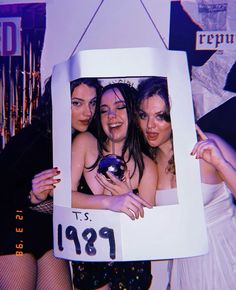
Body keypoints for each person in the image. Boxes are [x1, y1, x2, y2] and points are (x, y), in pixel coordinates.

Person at [0, 76, 102, 290]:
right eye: (77, 103)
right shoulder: (34, 137)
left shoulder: (85, 139)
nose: (87, 112)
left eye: (92, 103)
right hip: (16, 226)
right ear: (57, 101)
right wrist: (30, 195)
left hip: (50, 233)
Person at [136, 76, 236, 290]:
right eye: (144, 115)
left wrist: (221, 163)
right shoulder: (148, 164)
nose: (150, 125)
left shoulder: (207, 144)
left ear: (177, 116)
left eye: (160, 116)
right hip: (186, 265)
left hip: (226, 254)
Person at [71, 82, 157, 290]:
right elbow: (64, 197)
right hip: (89, 262)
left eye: (119, 107)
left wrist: (128, 195)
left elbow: (149, 231)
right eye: (104, 110)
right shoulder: (84, 143)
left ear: (133, 113)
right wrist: (110, 202)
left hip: (131, 269)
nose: (111, 116)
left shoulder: (147, 166)